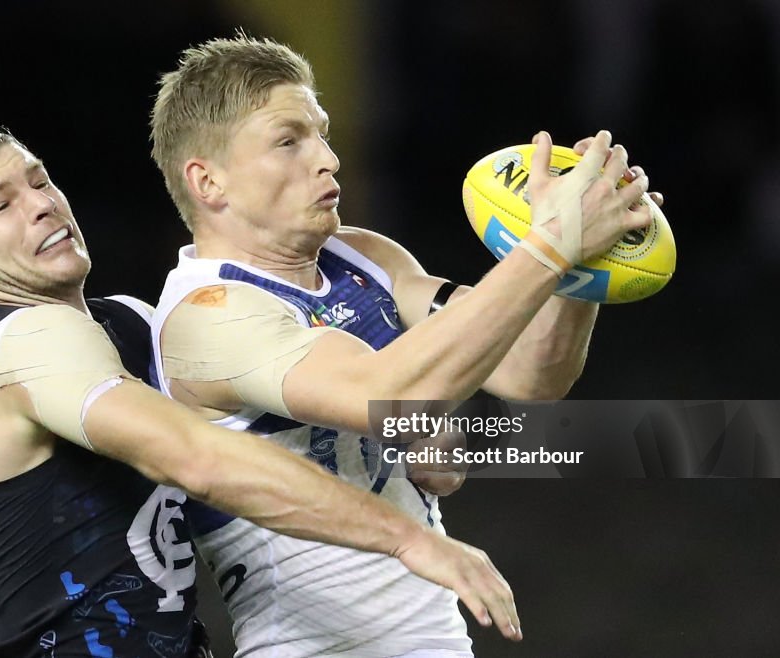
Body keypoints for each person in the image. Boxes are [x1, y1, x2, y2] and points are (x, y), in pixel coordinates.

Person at [0, 124, 521, 658]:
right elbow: (198, 458)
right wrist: (408, 537)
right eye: (0, 204)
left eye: (38, 180)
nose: (41, 203)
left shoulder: (130, 322)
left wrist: (403, 417)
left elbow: (275, 406)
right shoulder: (25, 342)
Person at [148, 34, 663, 657]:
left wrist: (580, 272)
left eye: (323, 133)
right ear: (208, 182)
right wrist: (551, 244)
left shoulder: (364, 257)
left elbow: (532, 372)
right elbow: (389, 395)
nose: (328, 159)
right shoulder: (207, 315)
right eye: (289, 141)